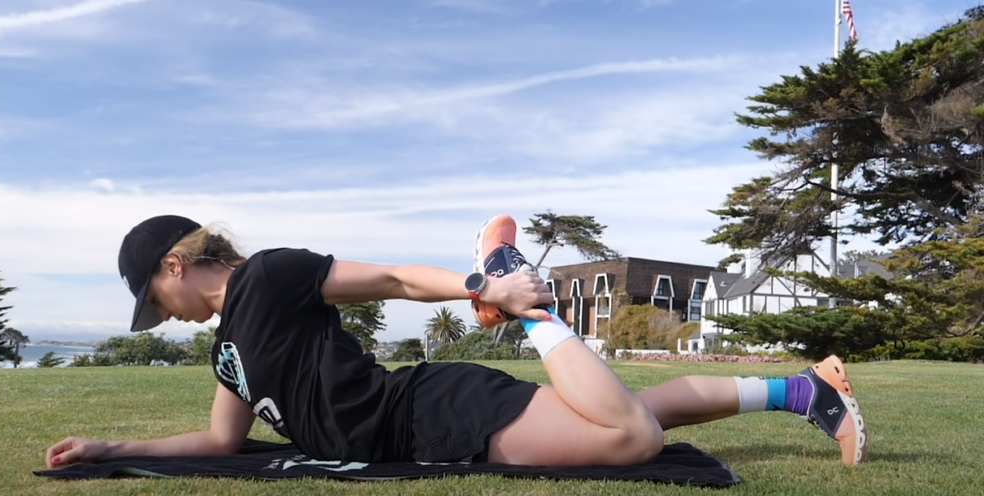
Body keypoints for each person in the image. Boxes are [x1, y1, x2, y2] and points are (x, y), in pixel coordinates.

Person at [45, 214, 868, 469]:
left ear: (174, 264)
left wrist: (491, 288)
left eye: (156, 300)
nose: (166, 315)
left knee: (626, 435)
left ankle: (538, 309)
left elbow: (396, 280)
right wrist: (114, 445)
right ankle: (802, 391)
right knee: (622, 412)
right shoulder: (227, 348)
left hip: (424, 412)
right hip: (410, 428)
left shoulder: (273, 274)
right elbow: (222, 439)